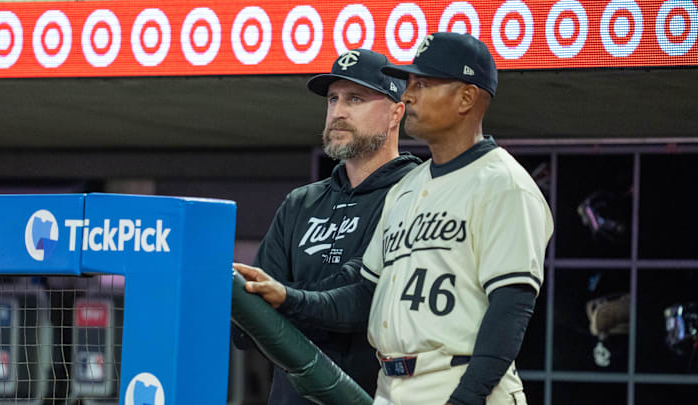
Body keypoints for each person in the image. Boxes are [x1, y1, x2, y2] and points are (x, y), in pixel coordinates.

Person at [236, 32, 553, 405]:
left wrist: (465, 400)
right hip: (395, 387)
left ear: (466, 97)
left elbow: (510, 310)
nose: (409, 93)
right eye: (333, 99)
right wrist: (287, 299)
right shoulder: (408, 188)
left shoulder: (504, 184)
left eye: (423, 84)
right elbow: (365, 294)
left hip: (457, 380)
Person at [232, 48, 421, 405]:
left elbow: (365, 303)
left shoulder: (413, 192)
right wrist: (288, 300)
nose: (338, 111)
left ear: (396, 112)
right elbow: (245, 326)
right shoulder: (300, 203)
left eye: (356, 98)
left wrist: (286, 296)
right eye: (333, 99)